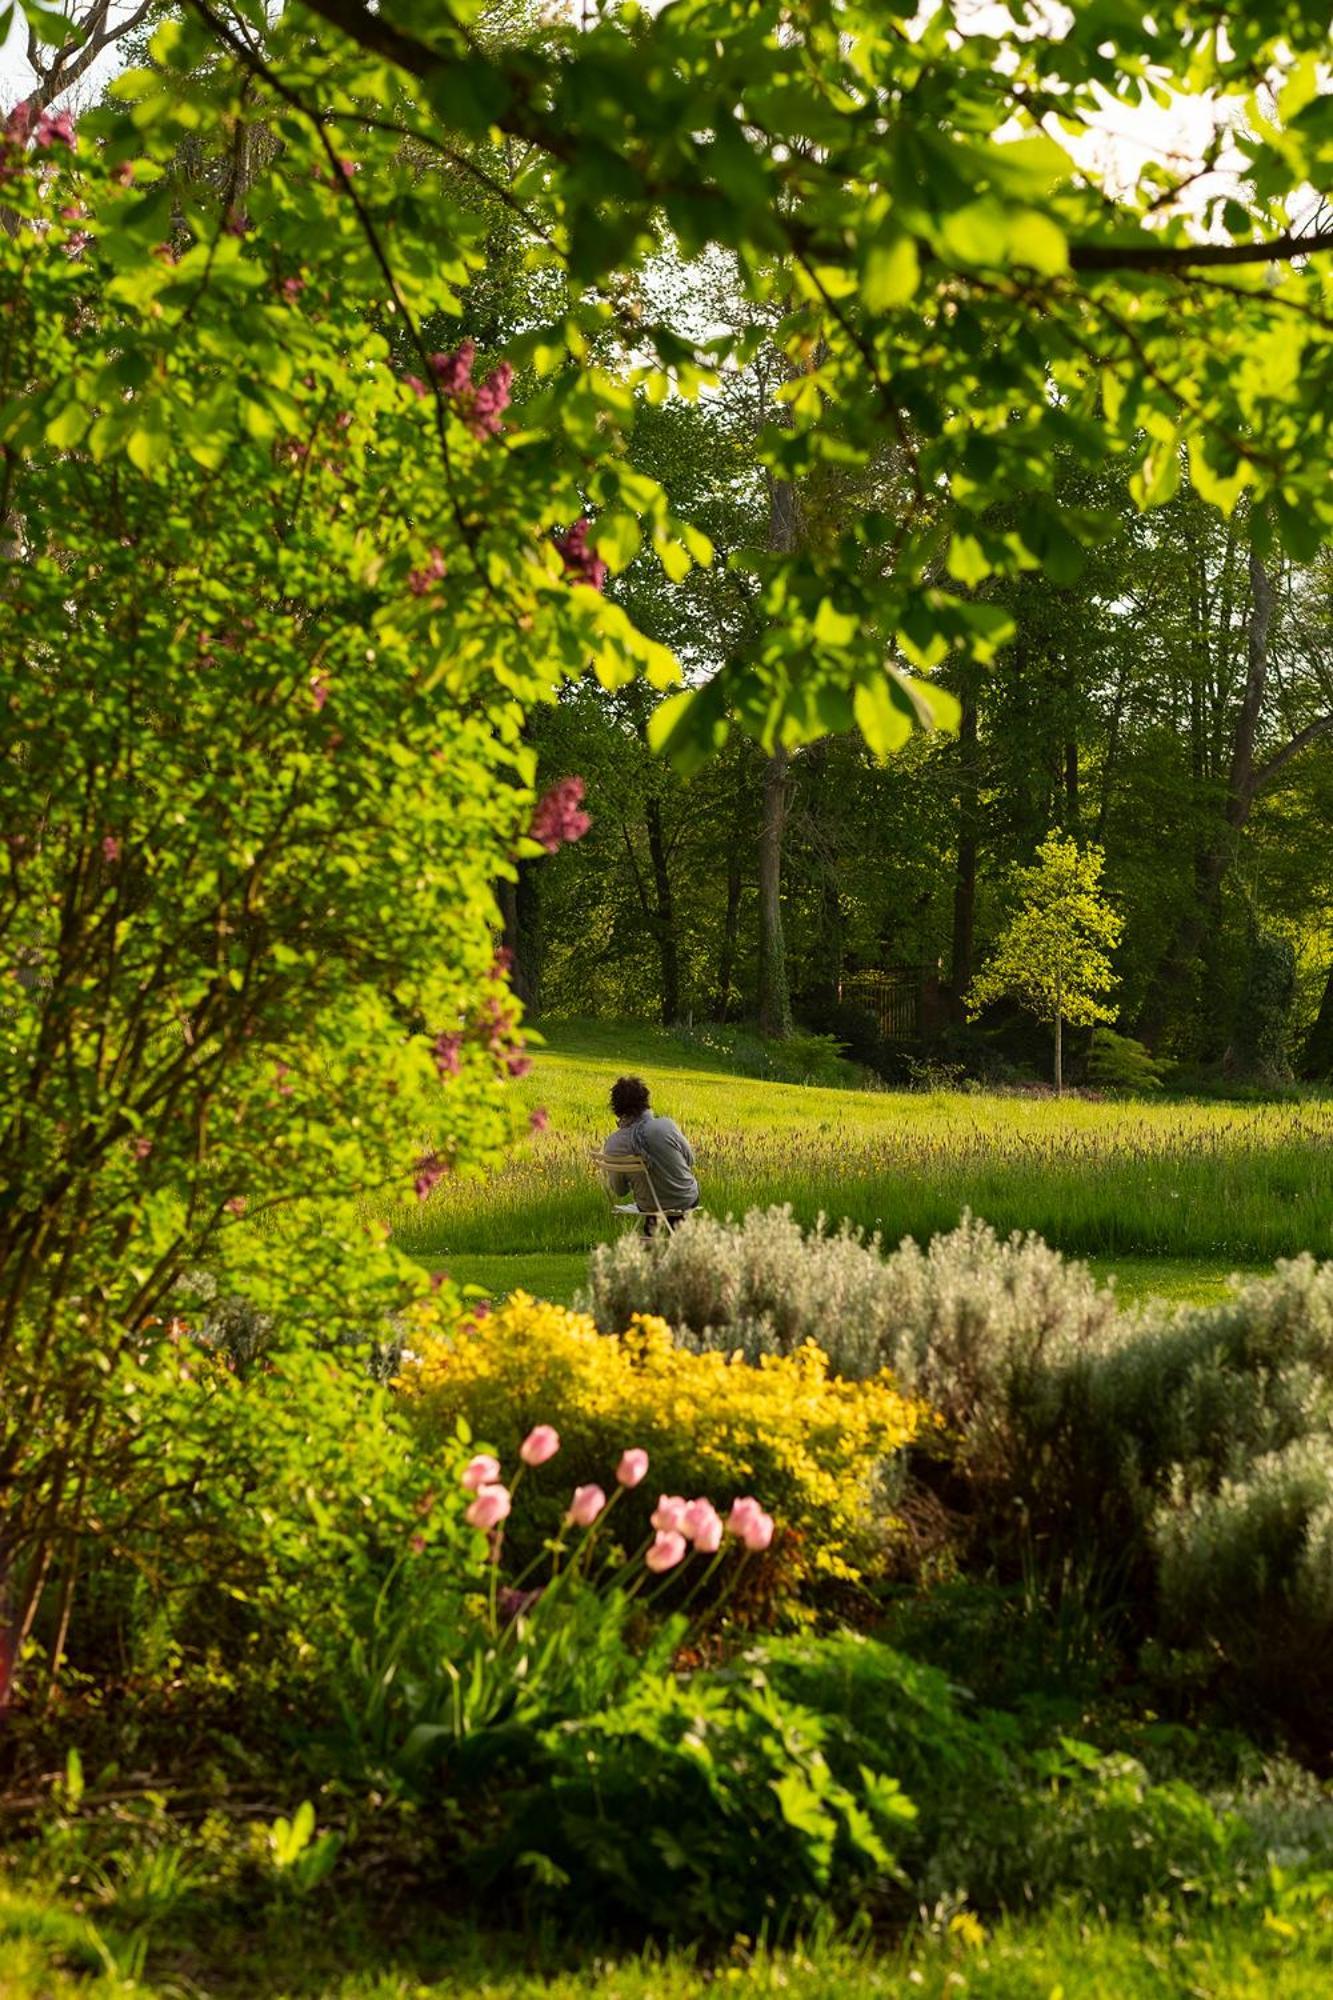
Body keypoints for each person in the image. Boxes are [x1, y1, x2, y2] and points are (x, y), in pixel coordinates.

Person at [602, 1074, 698, 1232]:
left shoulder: (614, 1144)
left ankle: (653, 1240)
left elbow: (620, 1191)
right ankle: (679, 1239)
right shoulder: (666, 1126)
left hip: (648, 1206)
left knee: (651, 1204)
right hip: (685, 1199)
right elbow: (690, 1160)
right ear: (645, 1101)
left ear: (617, 1108)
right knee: (673, 1201)